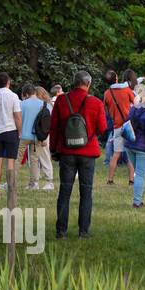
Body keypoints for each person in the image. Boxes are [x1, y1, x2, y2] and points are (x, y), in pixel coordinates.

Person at [48, 70, 107, 238]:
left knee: (64, 191)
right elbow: (102, 128)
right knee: (86, 192)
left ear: (74, 82)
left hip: (66, 151)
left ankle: (61, 231)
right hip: (88, 152)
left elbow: (54, 127)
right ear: (88, 84)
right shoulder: (95, 102)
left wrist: (54, 150)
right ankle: (83, 231)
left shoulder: (61, 100)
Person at [0, 72, 22, 195]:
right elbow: (17, 116)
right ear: (8, 82)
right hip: (11, 130)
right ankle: (11, 190)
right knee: (10, 162)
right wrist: (20, 131)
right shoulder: (14, 96)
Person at [100, 70, 135, 186]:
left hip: (116, 126)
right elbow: (135, 103)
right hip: (128, 125)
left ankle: (110, 180)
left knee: (116, 154)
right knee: (129, 154)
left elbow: (105, 110)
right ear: (116, 78)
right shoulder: (126, 90)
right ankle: (131, 180)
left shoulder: (107, 93)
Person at [18, 84, 53, 191]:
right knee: (35, 160)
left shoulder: (23, 104)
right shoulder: (43, 105)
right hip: (38, 135)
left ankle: (48, 181)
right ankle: (35, 183)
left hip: (33, 135)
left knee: (43, 158)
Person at [126, 95, 145, 208]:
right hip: (143, 148)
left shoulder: (133, 109)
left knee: (137, 174)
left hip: (129, 145)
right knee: (140, 175)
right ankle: (137, 202)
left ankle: (138, 201)